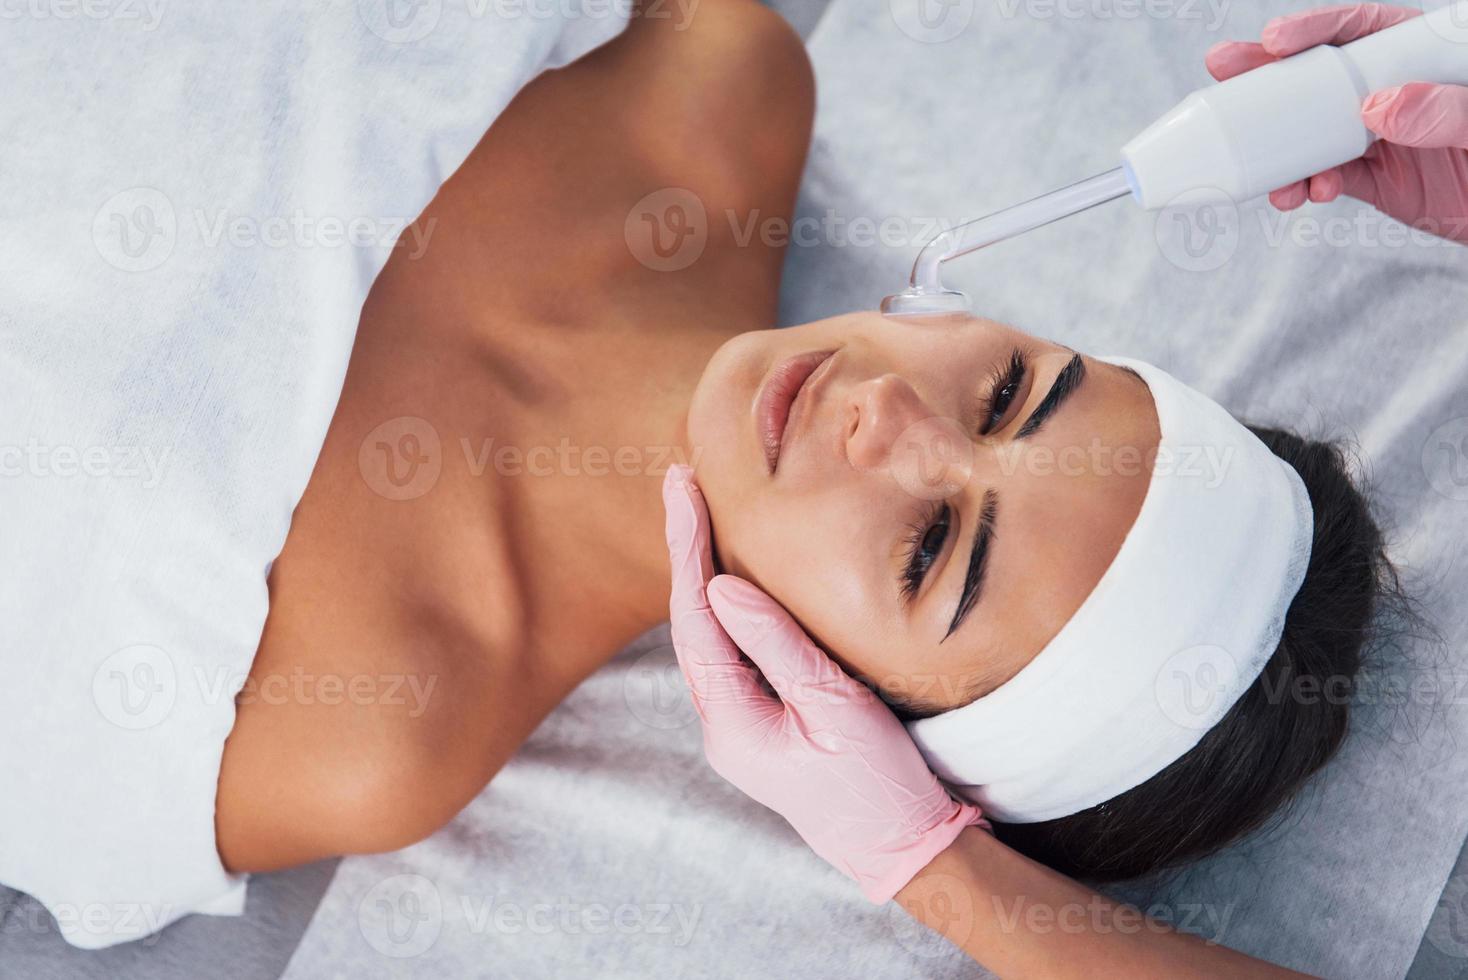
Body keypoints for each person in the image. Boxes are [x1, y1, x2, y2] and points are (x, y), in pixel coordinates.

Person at [209, 0, 1460, 973]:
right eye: (1010, 394)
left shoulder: (367, 729)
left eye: (928, 551)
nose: (886, 414)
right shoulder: (720, 85)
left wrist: (924, 860)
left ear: (838, 716)